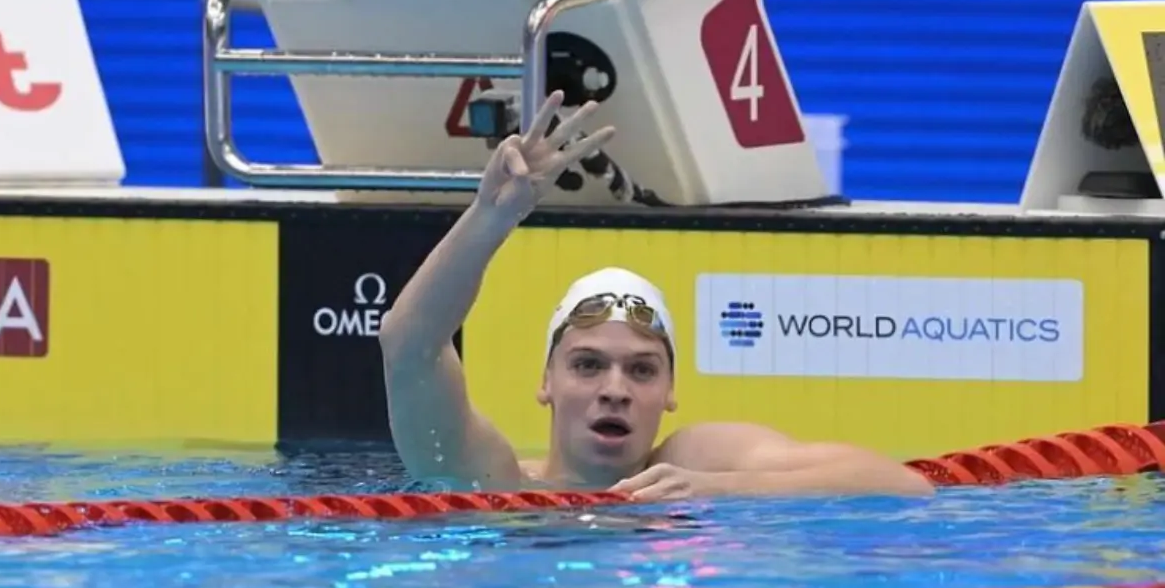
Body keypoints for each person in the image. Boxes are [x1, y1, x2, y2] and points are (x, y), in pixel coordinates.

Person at [378, 91, 935, 501]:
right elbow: (409, 347)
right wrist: (490, 218)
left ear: (670, 392)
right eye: (588, 365)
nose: (614, 390)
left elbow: (903, 486)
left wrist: (717, 489)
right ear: (546, 382)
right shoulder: (494, 479)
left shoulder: (693, 462)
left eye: (642, 370)